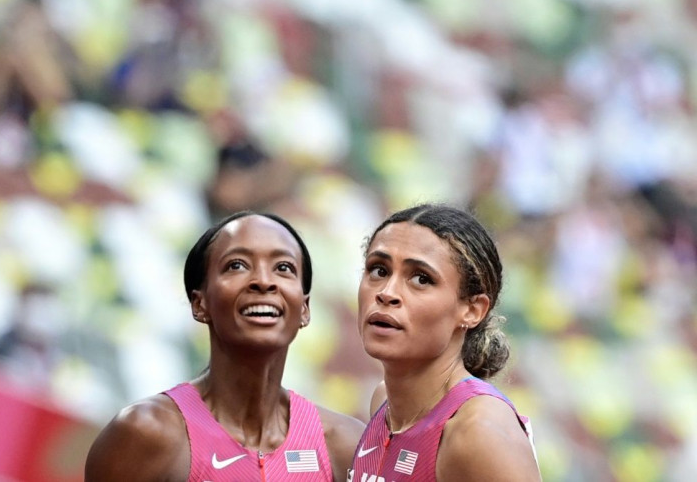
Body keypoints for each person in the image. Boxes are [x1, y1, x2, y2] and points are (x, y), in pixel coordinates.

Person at [85, 210, 365, 481]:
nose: (263, 281)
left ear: (304, 309)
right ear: (200, 303)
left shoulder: (346, 446)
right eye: (237, 265)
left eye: (283, 268)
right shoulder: (145, 433)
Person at [350, 203, 540, 481]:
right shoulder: (384, 403)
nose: (387, 293)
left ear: (472, 310)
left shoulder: (478, 431)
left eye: (421, 278)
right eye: (379, 270)